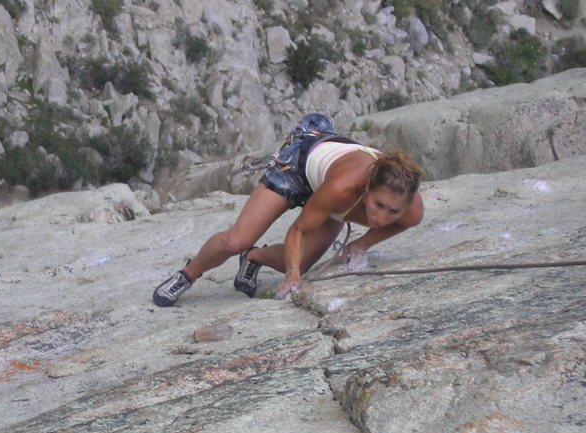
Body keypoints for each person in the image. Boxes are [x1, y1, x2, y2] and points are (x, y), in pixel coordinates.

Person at [152, 113, 424, 307]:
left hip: (330, 189)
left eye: (392, 211)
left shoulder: (408, 207)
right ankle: (188, 274)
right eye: (378, 205)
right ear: (367, 188)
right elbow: (298, 230)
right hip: (295, 169)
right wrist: (292, 276)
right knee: (236, 240)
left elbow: (403, 220)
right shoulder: (343, 188)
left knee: (299, 262)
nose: (381, 218)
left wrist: (361, 243)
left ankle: (254, 257)